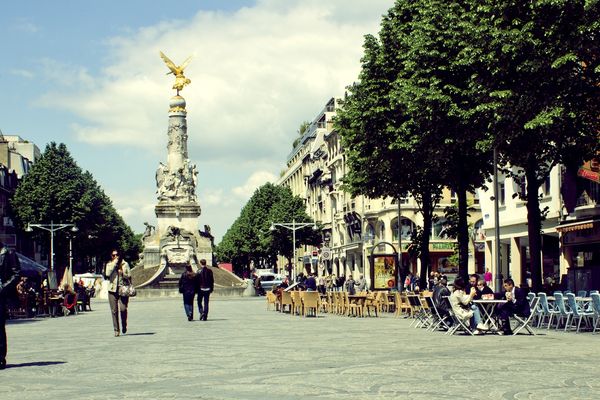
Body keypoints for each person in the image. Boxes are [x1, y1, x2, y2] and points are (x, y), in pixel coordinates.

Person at [0, 241, 20, 369]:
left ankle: (0, 358)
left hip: (1, 294)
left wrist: (2, 288)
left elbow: (16, 274)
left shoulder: (9, 252)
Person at [104, 249, 131, 337]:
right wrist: (114, 264)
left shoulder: (125, 264)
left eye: (116, 255)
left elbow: (129, 275)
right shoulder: (109, 264)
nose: (115, 257)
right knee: (114, 311)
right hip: (112, 290)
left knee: (123, 309)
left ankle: (124, 324)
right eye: (113, 255)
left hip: (122, 289)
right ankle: (116, 330)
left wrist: (123, 273)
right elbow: (107, 274)